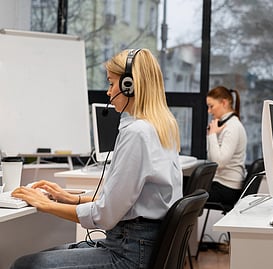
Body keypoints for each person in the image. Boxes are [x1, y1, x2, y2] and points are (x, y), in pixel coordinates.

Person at [11, 48, 183, 269]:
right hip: (139, 245)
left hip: (129, 255)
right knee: (46, 255)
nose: (109, 92)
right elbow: (126, 201)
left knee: (24, 265)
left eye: (111, 83)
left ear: (129, 85)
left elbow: (106, 216)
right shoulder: (162, 126)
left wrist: (45, 205)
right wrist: (71, 198)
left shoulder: (137, 133)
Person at [205, 86, 247, 205]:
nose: (209, 111)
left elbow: (218, 162)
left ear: (224, 102)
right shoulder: (228, 125)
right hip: (224, 185)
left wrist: (212, 135)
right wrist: (211, 135)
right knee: (189, 187)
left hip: (227, 188)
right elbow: (212, 159)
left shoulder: (232, 127)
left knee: (186, 192)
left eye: (211, 106)